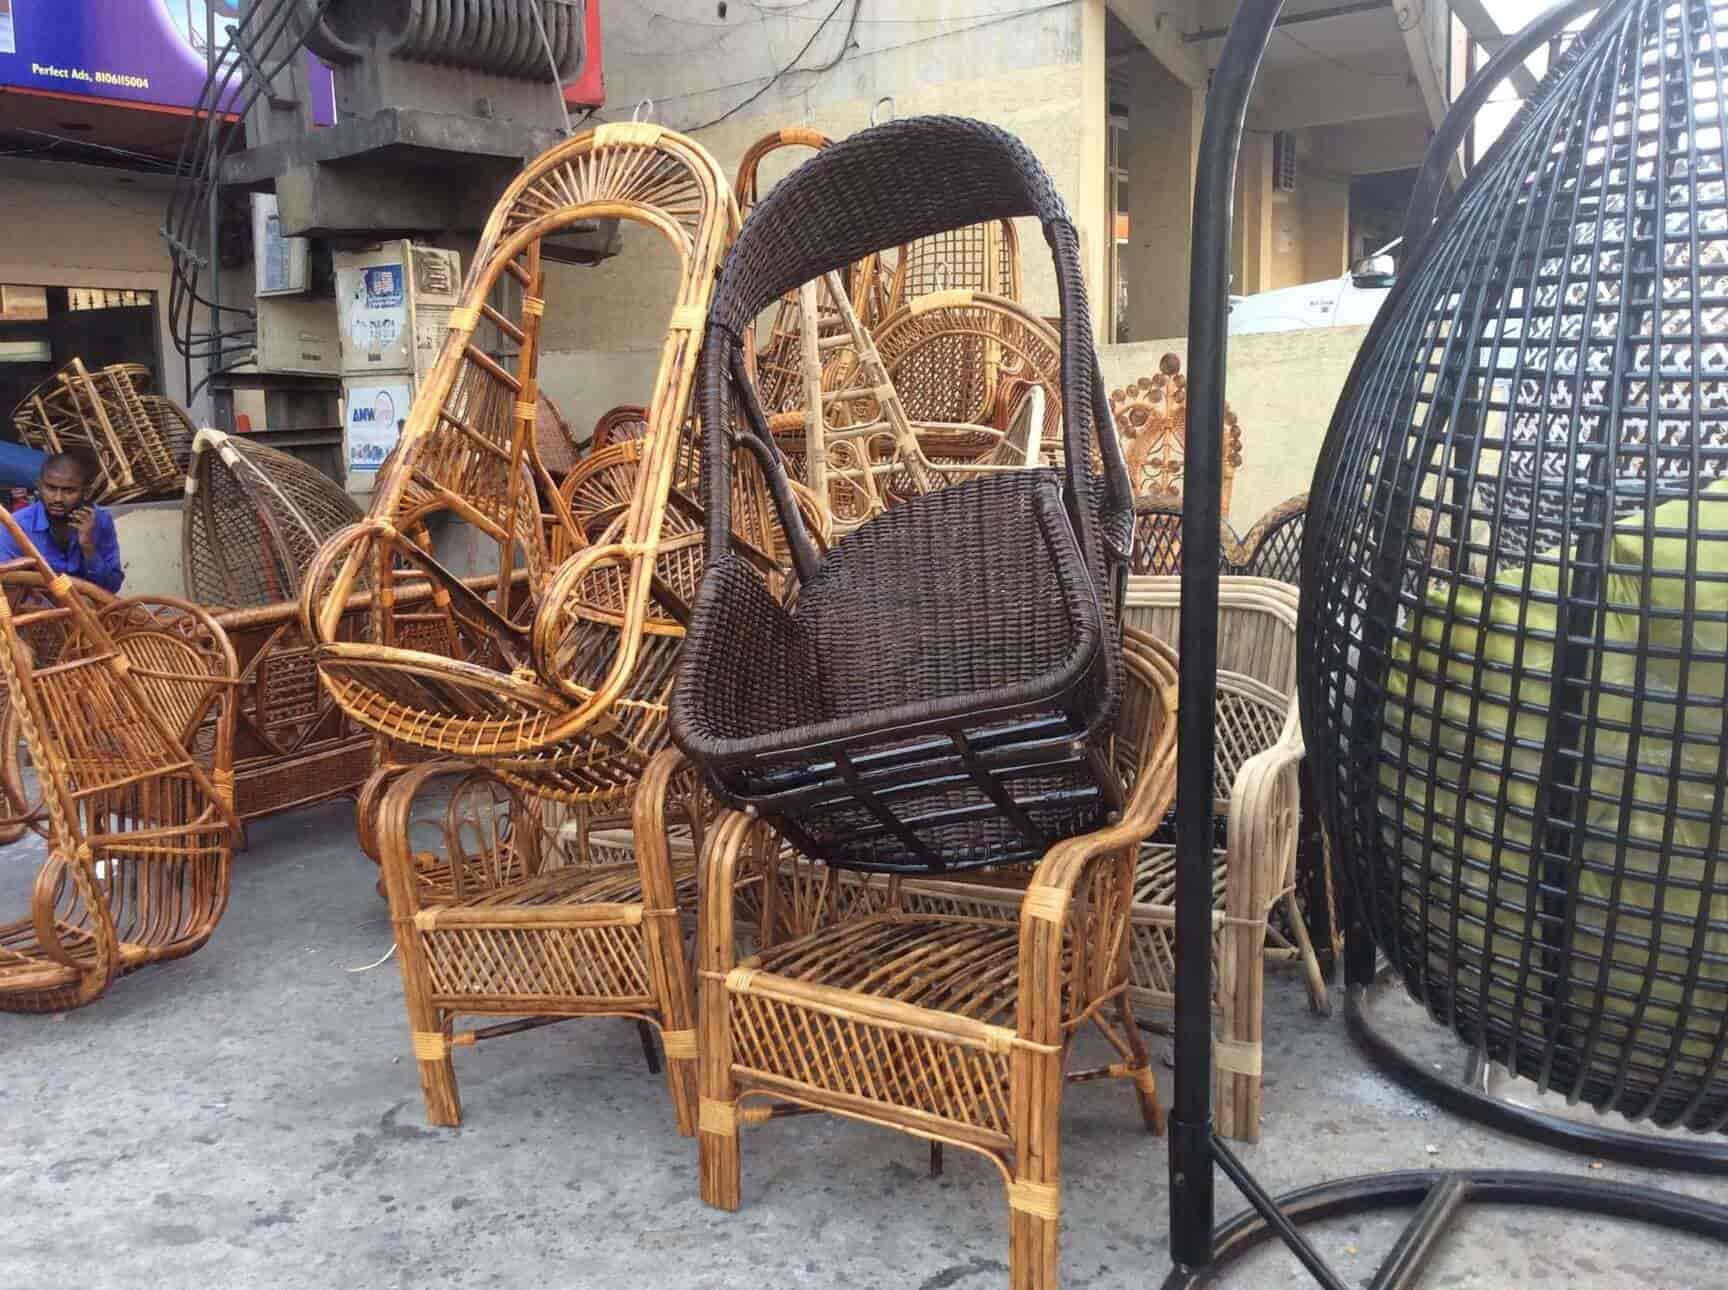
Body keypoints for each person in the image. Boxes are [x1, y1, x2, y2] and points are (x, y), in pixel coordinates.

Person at [0, 451, 124, 592]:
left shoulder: (100, 520)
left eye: (69, 491)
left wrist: (88, 547)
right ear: (39, 485)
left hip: (91, 610)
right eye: (51, 488)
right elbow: (5, 582)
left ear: (86, 492)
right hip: (38, 609)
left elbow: (112, 587)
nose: (58, 498)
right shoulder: (16, 525)